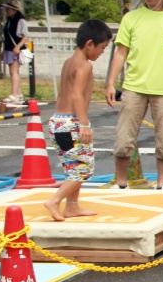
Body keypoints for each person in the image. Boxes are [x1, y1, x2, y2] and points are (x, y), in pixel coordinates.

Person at [104, 0, 163, 189]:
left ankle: (162, 184)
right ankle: (121, 183)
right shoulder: (131, 18)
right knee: (124, 139)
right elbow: (121, 52)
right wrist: (110, 82)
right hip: (134, 86)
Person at [43, 20, 114, 222]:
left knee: (73, 167)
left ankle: (72, 206)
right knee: (83, 168)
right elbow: (76, 95)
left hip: (57, 121)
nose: (102, 53)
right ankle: (55, 200)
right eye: (102, 48)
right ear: (90, 44)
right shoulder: (84, 66)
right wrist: (83, 123)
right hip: (71, 122)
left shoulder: (68, 62)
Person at [0, 0, 29, 107]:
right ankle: (18, 93)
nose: (7, 10)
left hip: (16, 49)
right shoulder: (9, 21)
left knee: (14, 71)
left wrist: (18, 47)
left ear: (15, 10)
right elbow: (7, 37)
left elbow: (25, 35)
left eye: (9, 9)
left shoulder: (21, 21)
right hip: (9, 48)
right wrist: (3, 50)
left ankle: (14, 94)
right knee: (13, 71)